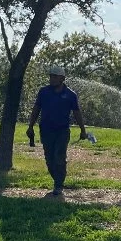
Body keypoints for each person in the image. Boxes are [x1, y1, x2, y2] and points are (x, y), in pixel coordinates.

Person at [26, 66, 87, 198]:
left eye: (55, 76)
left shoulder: (71, 95)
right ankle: (58, 179)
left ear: (62, 78)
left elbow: (77, 113)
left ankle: (59, 185)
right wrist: (30, 126)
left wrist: (83, 130)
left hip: (62, 131)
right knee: (49, 159)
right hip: (46, 130)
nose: (51, 79)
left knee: (59, 156)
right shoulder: (43, 92)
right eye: (51, 76)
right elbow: (36, 109)